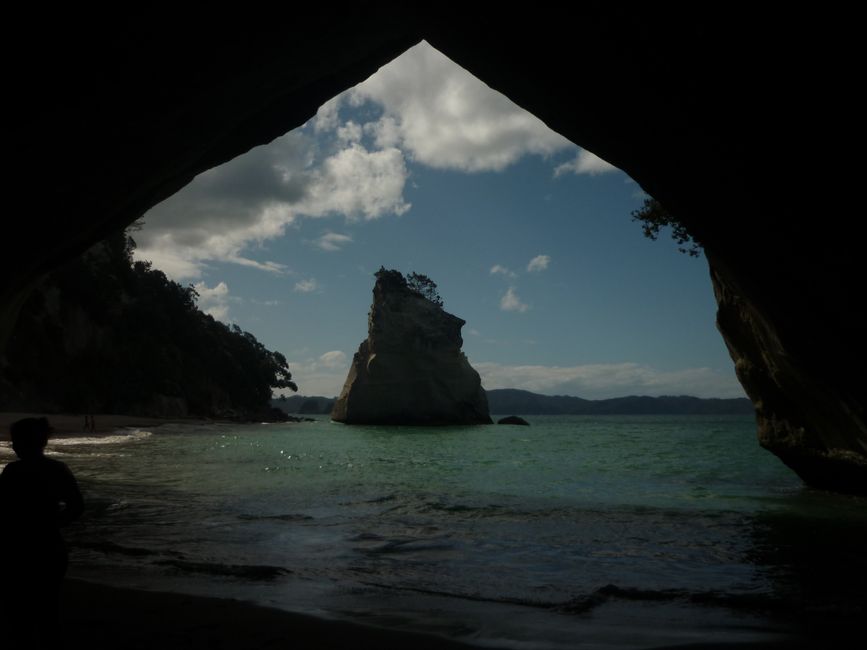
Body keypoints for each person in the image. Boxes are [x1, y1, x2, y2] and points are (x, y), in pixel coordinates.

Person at [0, 417, 84, 645]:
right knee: (48, 610)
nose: (13, 445)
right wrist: (52, 523)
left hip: (17, 549)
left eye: (15, 441)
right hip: (50, 546)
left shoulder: (12, 471)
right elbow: (77, 506)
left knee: (18, 613)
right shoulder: (57, 469)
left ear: (22, 443)